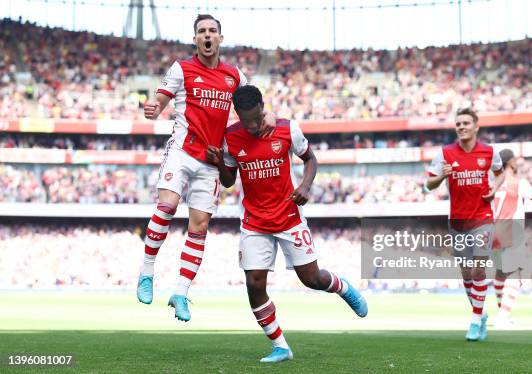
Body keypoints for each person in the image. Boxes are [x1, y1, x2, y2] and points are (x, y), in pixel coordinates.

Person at [206, 85, 367, 363]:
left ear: (263, 108)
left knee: (312, 279)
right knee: (254, 284)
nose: (255, 126)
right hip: (254, 221)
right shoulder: (231, 137)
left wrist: (305, 185)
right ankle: (280, 346)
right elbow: (230, 181)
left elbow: (310, 159)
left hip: (289, 217)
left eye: (258, 118)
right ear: (238, 116)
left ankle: (342, 287)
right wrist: (220, 163)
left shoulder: (286, 129)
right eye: (248, 121)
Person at [136, 14, 275, 322]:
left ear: (220, 38)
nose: (208, 35)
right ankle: (147, 272)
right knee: (167, 205)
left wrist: (271, 115)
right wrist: (153, 108)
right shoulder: (181, 69)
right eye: (202, 31)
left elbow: (254, 103)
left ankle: (181, 293)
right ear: (195, 39)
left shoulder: (234, 75)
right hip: (182, 151)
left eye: (213, 31)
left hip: (211, 161)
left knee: (199, 227)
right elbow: (159, 101)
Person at [426, 108, 504, 341]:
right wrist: (442, 177)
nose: (461, 126)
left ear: (476, 127)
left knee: (479, 269)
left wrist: (494, 189)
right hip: (457, 221)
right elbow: (429, 184)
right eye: (458, 123)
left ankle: (473, 321)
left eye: (466, 123)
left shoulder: (490, 152)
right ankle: (481, 314)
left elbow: (500, 174)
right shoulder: (445, 154)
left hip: (482, 218)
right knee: (467, 275)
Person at [490, 150, 532, 328]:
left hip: (493, 232)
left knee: (501, 274)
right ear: (510, 163)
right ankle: (502, 316)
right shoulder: (518, 183)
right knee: (516, 275)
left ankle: (503, 313)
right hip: (512, 231)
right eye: (516, 160)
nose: (518, 163)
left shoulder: (492, 184)